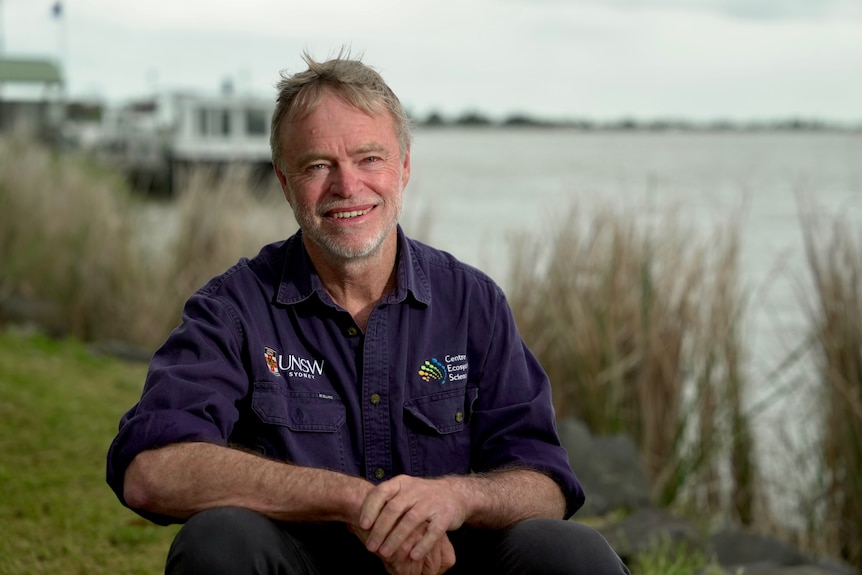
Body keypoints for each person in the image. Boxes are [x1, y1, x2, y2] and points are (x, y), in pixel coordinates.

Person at [106, 51, 630, 575]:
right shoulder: (233, 308)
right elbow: (152, 470)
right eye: (317, 165)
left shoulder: (474, 304)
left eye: (369, 158)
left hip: (445, 565)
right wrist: (353, 501)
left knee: (576, 554)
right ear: (286, 184)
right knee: (218, 540)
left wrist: (458, 498)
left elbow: (546, 486)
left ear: (403, 168)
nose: (347, 186)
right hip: (303, 566)